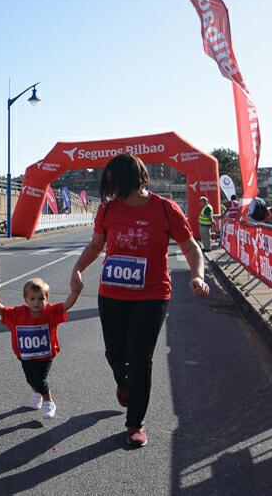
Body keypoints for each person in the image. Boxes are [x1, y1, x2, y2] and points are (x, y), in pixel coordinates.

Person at [69, 153, 209, 447]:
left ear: (129, 179)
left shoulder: (164, 208)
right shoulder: (108, 210)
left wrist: (197, 275)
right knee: (114, 352)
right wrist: (78, 269)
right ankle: (123, 381)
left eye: (112, 182)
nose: (108, 189)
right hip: (112, 294)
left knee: (141, 357)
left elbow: (191, 246)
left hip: (152, 294)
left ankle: (135, 422)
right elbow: (96, 245)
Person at [0, 278, 80, 419]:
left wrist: (75, 292)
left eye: (41, 298)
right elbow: (4, 312)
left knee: (40, 379)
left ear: (47, 299)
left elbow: (66, 306)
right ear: (26, 300)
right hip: (25, 355)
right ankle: (36, 393)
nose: (36, 302)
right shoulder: (18, 313)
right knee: (30, 379)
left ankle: (48, 401)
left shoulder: (50, 311)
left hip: (45, 355)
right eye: (32, 298)